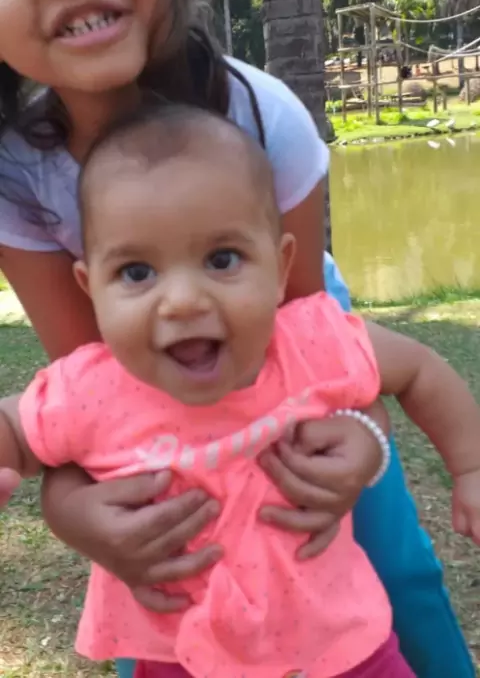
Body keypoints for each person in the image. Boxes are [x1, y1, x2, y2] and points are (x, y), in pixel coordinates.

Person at [0, 0, 472, 678]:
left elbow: (303, 346)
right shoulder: (15, 169)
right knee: (161, 596)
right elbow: (83, 394)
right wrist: (71, 511)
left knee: (399, 572)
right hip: (136, 358)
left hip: (281, 316)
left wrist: (367, 440)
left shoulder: (263, 113)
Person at [2, 103, 480, 678]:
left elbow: (420, 370)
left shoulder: (307, 342)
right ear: (91, 288)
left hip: (341, 646)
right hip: (178, 658)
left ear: (280, 269)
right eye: (136, 272)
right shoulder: (93, 386)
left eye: (221, 259)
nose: (182, 300)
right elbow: (13, 431)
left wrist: (471, 467)